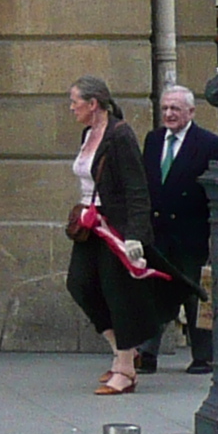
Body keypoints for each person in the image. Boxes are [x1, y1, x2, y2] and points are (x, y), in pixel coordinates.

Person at [62, 76, 168, 395]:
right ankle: (123, 351)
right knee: (79, 284)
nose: (71, 108)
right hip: (90, 225)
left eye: (75, 102)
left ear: (93, 104)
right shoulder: (87, 133)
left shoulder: (120, 135)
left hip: (116, 226)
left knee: (117, 292)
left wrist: (135, 235)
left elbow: (137, 188)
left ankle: (125, 369)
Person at [143, 83, 218, 374]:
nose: (169, 114)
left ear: (190, 112)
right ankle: (146, 354)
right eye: (165, 108)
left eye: (175, 109)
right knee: (154, 292)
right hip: (158, 232)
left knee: (194, 293)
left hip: (192, 233)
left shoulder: (209, 144)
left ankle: (204, 356)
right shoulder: (153, 141)